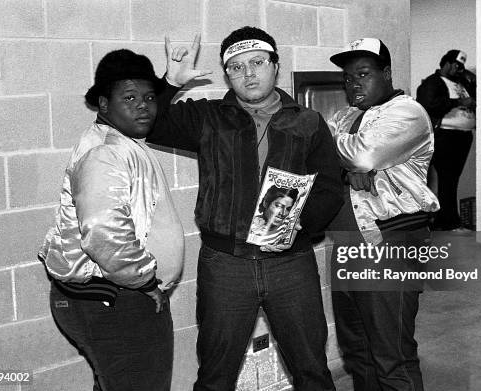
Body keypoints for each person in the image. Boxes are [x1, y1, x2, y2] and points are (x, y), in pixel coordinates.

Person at [146, 27, 343, 391]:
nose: (248, 73)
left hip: (291, 264)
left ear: (275, 66)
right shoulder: (208, 117)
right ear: (227, 75)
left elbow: (330, 187)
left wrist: (305, 221)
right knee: (215, 376)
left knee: (312, 371)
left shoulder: (308, 121)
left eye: (257, 62)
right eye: (236, 67)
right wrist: (170, 83)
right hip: (225, 267)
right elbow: (149, 124)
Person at [38, 49, 185, 391]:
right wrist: (145, 281)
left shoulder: (119, 141)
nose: (143, 106)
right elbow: (104, 231)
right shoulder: (105, 152)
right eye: (129, 97)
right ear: (104, 104)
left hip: (111, 298)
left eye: (149, 97)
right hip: (117, 300)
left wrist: (171, 84)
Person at [327, 38, 439, 391]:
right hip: (347, 244)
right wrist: (345, 162)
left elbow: (362, 157)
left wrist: (349, 159)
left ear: (387, 74)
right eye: (347, 78)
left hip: (389, 241)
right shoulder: (346, 116)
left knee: (392, 355)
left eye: (363, 73)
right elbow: (323, 155)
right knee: (357, 350)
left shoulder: (407, 113)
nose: (354, 83)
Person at [416, 50, 476, 231]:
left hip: (463, 136)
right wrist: (458, 103)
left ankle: (451, 219)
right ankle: (447, 222)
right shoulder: (432, 83)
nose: (458, 70)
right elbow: (428, 105)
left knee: (453, 179)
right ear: (447, 63)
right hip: (445, 135)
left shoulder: (461, 82)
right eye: (456, 66)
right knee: (445, 179)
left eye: (461, 67)